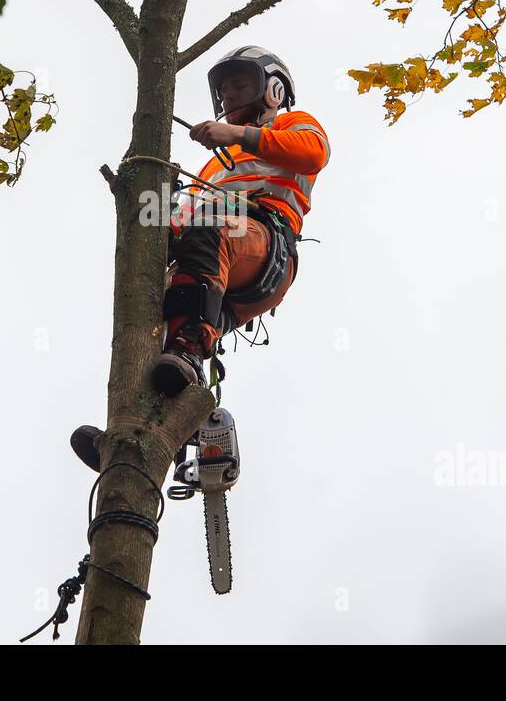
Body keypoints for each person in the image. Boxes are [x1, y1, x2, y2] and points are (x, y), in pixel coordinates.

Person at [70, 46, 330, 472]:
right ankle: (141, 440)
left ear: (274, 89)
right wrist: (152, 203)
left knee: (210, 228)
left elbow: (313, 153)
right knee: (154, 314)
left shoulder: (291, 125)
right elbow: (179, 220)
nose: (229, 97)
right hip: (213, 269)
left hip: (264, 244)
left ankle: (191, 350)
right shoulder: (211, 170)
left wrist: (239, 135)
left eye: (240, 85)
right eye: (223, 91)